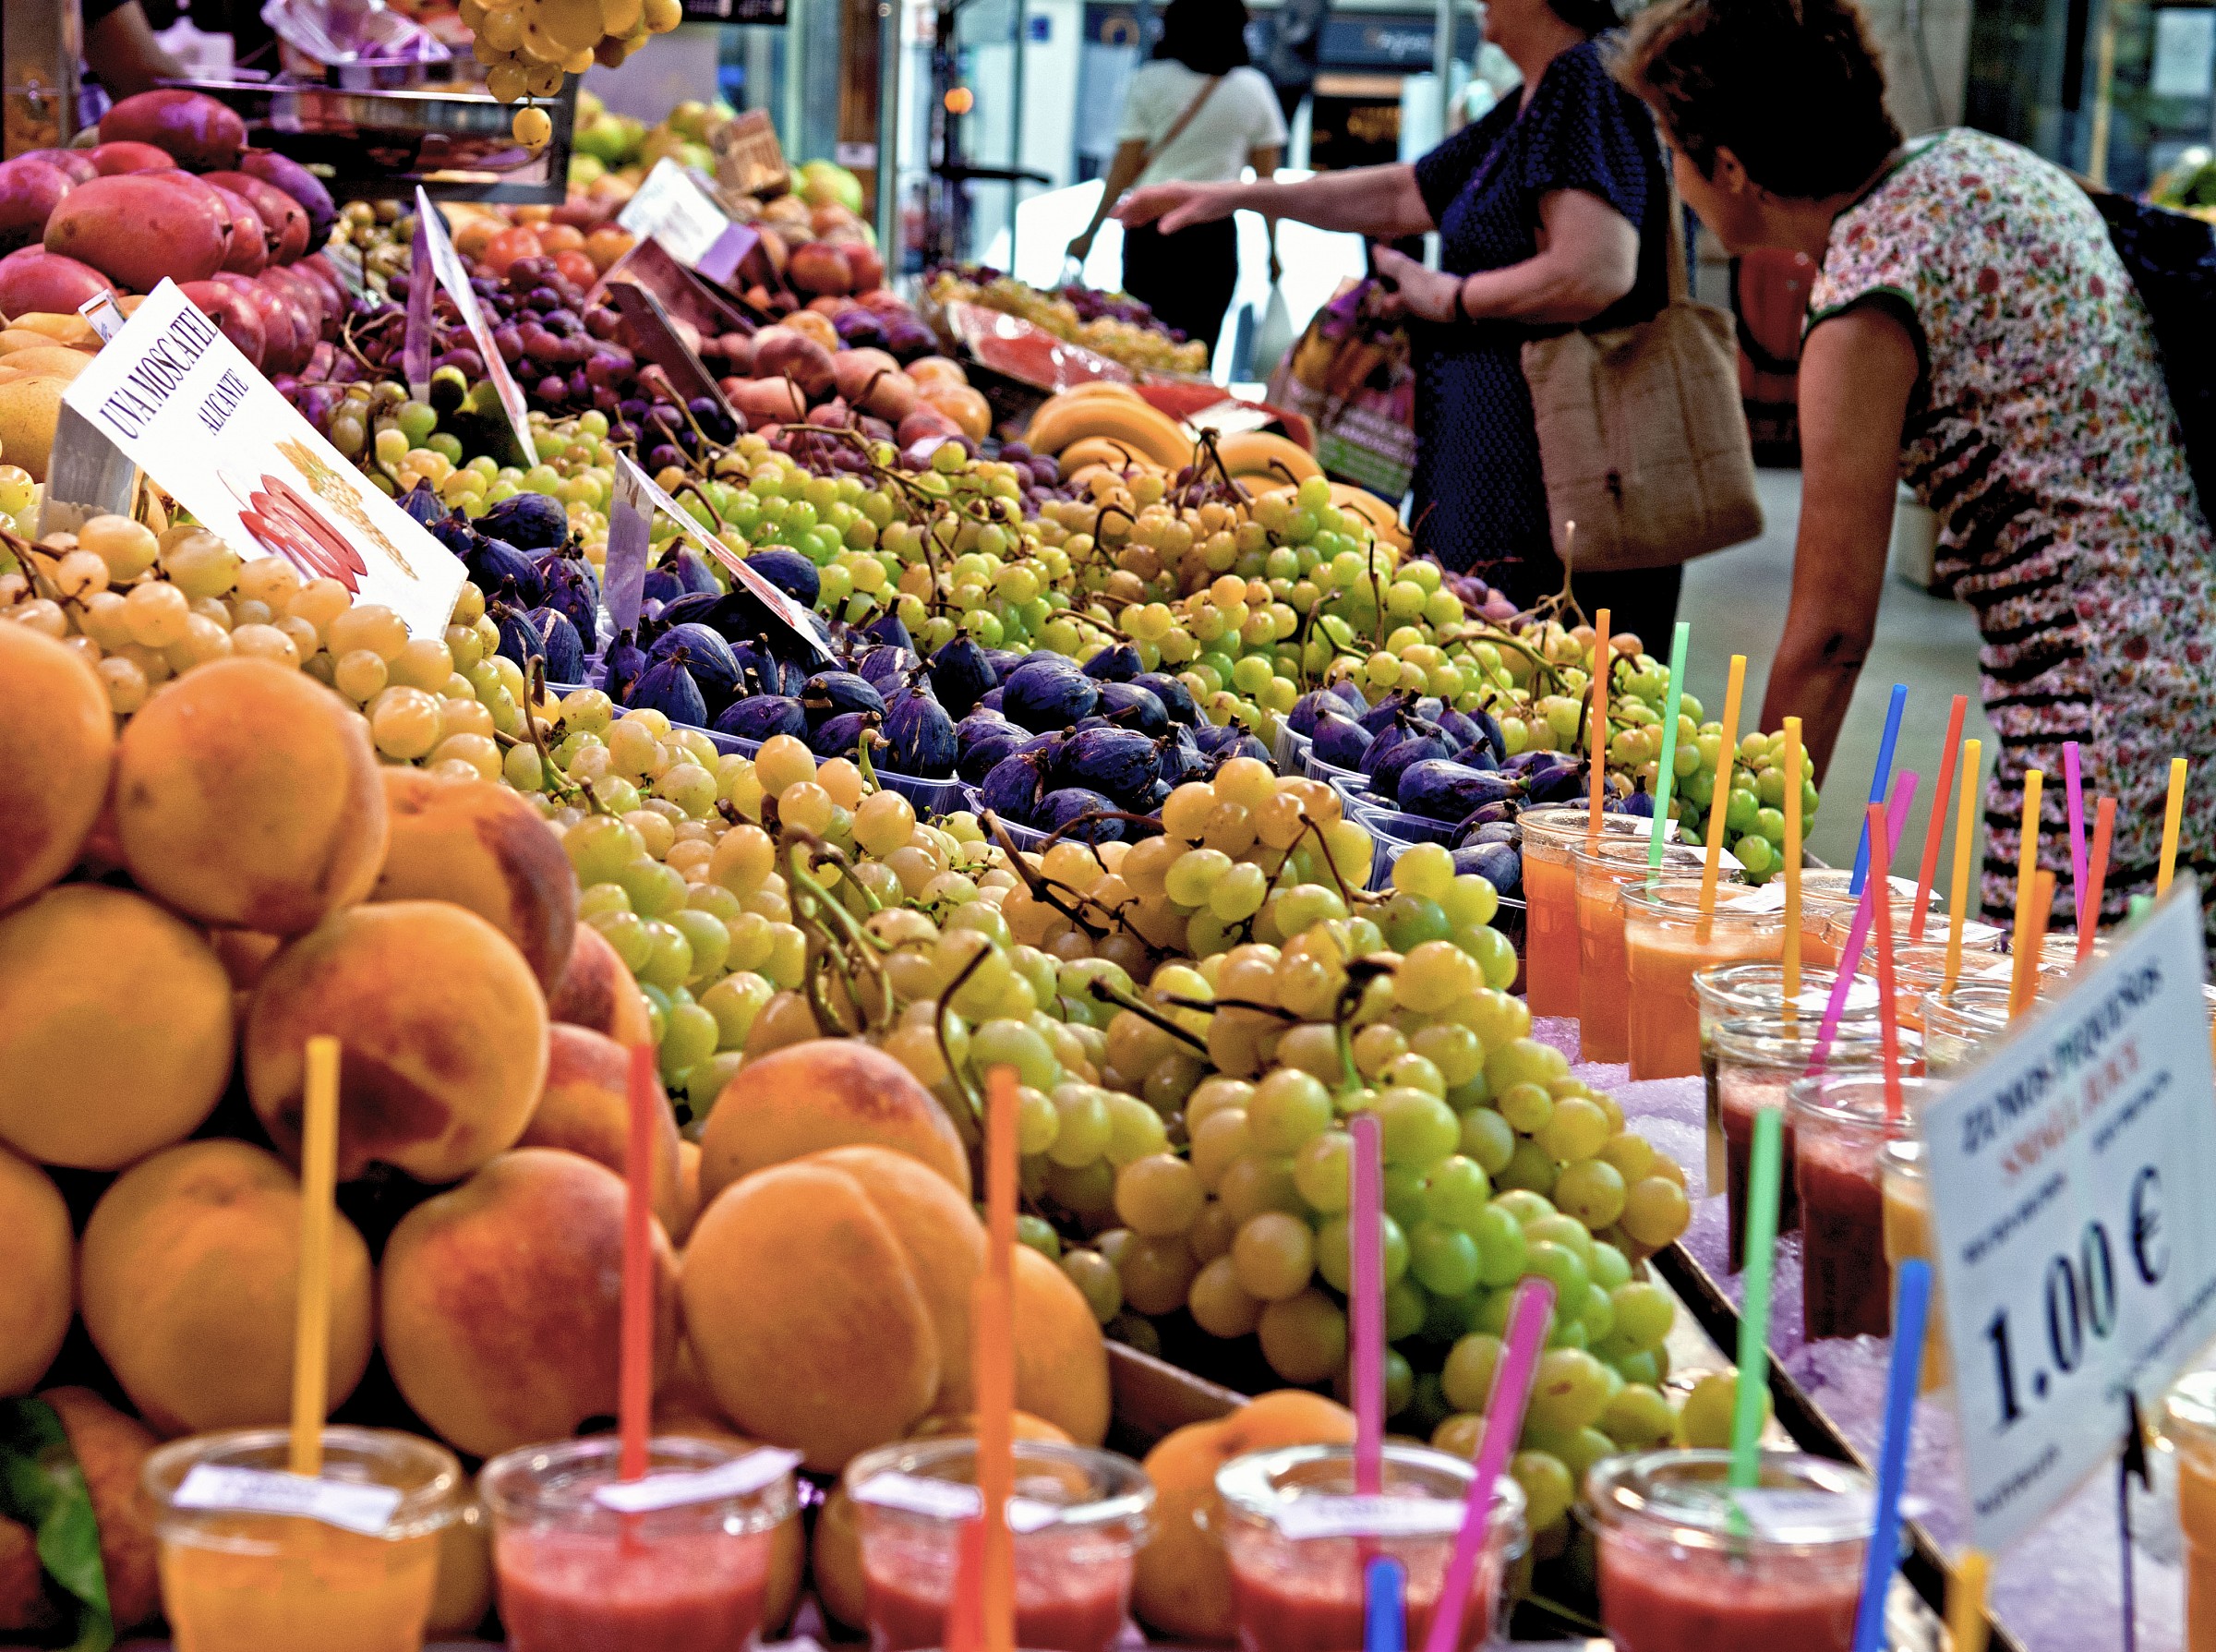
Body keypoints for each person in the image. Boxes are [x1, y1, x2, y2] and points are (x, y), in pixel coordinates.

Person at [1619, 0, 2216, 929]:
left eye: (1675, 150)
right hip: (2195, 662)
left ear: (1730, 166)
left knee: (2072, 1015)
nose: (1678, 181)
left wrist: (1734, 851)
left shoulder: (1864, 301)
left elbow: (1830, 635)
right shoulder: (1983, 166)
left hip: (2098, 724)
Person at [1114, 0, 1683, 644]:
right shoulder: (1537, 96)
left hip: (1542, 470)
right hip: (1498, 460)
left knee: (1522, 657)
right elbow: (1403, 193)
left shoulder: (1583, 81)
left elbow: (1596, 269)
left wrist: (1447, 295)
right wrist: (1231, 196)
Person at [1066, 0, 1286, 356]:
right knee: (1198, 352)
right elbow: (1267, 186)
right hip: (1214, 238)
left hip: (1150, 234)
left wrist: (1090, 233)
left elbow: (1123, 169)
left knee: (1142, 347)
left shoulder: (1148, 82)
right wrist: (1273, 251)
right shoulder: (1254, 89)